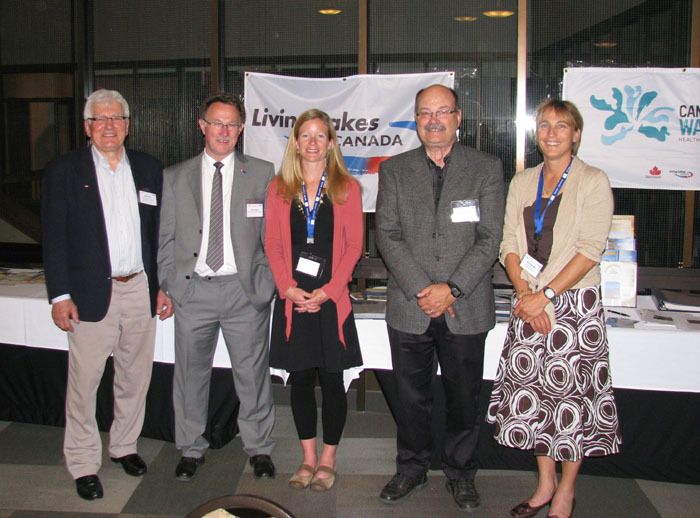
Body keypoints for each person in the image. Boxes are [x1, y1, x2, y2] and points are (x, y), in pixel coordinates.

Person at [487, 99, 622, 518]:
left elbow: (589, 251)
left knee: (570, 399)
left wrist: (543, 296)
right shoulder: (522, 182)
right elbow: (508, 243)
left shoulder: (593, 181)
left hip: (573, 307)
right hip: (528, 300)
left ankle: (566, 490)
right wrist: (526, 292)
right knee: (538, 398)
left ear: (576, 134)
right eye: (544, 125)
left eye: (561, 126)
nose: (551, 133)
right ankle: (544, 485)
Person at [375, 84, 505, 511]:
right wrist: (422, 288)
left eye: (442, 112)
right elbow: (387, 236)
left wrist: (450, 288)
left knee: (463, 396)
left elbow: (489, 239)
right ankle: (411, 468)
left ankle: (461, 473)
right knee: (411, 396)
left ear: (458, 117)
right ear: (415, 120)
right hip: (409, 306)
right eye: (425, 113)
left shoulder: (485, 168)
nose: (433, 120)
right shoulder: (394, 169)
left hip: (464, 305)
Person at [42, 88, 170, 500]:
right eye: (100, 119)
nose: (109, 126)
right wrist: (59, 295)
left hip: (139, 289)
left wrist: (161, 283)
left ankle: (124, 446)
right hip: (90, 293)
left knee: (135, 377)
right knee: (85, 383)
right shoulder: (65, 171)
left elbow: (158, 236)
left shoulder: (149, 169)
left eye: (117, 118)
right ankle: (82, 462)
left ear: (128, 125)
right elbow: (54, 239)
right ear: (87, 127)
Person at [157, 93, 276, 481]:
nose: (224, 131)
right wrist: (171, 284)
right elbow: (166, 239)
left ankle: (259, 448)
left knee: (252, 375)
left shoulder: (261, 172)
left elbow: (273, 238)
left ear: (241, 129)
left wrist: (266, 283)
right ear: (202, 125)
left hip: (244, 293)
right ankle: (191, 448)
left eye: (232, 125)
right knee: (190, 375)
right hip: (194, 293)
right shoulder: (175, 177)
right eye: (217, 123)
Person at [265, 109, 364, 492]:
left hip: (330, 301)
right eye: (304, 135)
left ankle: (328, 459)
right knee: (301, 379)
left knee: (333, 380)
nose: (311, 142)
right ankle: (307, 458)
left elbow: (354, 245)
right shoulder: (279, 188)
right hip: (293, 299)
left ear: (331, 142)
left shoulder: (346, 188)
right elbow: (272, 242)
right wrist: (286, 287)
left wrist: (329, 291)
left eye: (319, 135)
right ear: (295, 141)